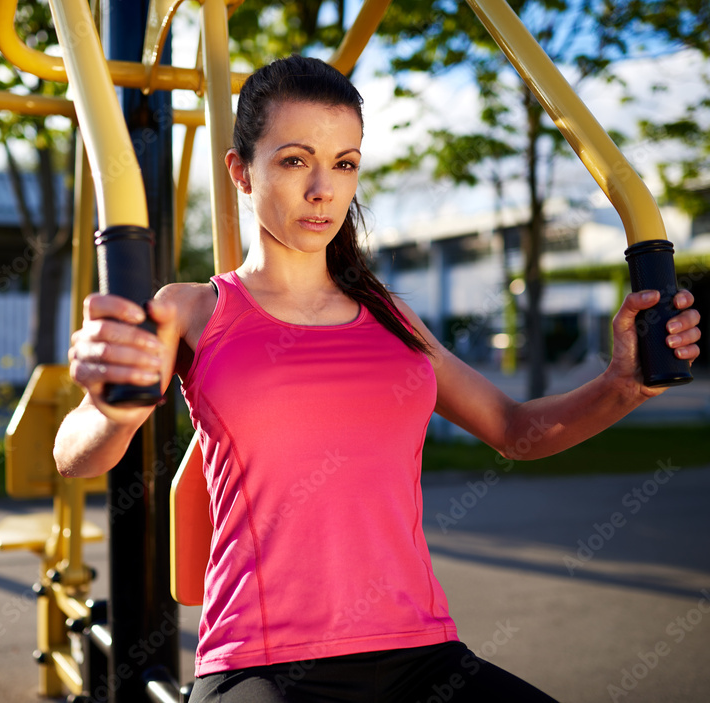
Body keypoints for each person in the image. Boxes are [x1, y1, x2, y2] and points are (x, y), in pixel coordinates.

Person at [54, 55, 701, 702]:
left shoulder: (392, 317)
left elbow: (514, 430)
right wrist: (106, 407)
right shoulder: (191, 309)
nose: (322, 190)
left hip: (421, 656)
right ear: (240, 172)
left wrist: (624, 383)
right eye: (293, 160)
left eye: (344, 163)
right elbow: (75, 457)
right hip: (263, 662)